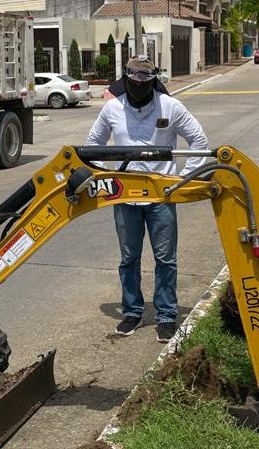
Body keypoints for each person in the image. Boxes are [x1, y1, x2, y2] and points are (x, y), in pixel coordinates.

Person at [86, 56, 208, 343]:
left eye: (145, 79)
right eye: (133, 79)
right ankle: (132, 311)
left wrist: (181, 181)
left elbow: (199, 142)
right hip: (125, 195)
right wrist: (106, 178)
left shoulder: (171, 107)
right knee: (129, 258)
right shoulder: (112, 109)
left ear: (154, 80)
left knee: (166, 258)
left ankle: (166, 315)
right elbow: (92, 146)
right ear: (125, 80)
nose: (139, 85)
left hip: (161, 196)